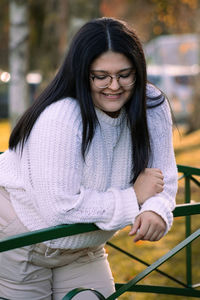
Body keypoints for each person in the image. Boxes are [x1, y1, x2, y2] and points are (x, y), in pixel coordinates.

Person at [0, 17, 178, 300]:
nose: (114, 86)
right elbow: (60, 208)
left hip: (84, 244)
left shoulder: (151, 105)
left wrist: (156, 209)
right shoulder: (62, 117)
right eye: (100, 76)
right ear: (82, 73)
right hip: (23, 237)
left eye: (125, 74)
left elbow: (163, 179)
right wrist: (133, 198)